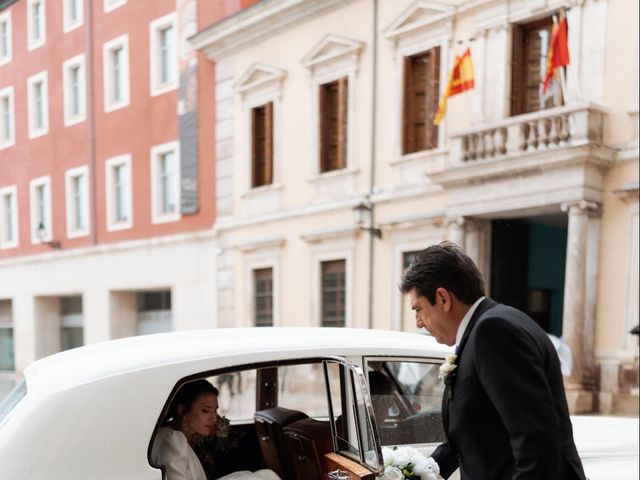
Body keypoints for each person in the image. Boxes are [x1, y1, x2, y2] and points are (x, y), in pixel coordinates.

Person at [399, 241, 586, 480]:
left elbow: (535, 441)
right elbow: (465, 439)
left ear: (443, 298)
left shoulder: (493, 330)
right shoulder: (483, 328)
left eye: (418, 309)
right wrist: (412, 474)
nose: (419, 322)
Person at [151, 379, 280, 480]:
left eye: (215, 410)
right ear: (182, 410)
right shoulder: (174, 440)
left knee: (267, 474)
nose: (214, 418)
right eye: (206, 410)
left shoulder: (168, 435)